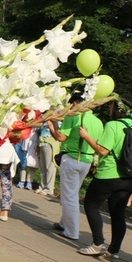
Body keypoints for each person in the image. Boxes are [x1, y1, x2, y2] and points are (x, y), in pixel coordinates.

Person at [76, 98, 132, 261]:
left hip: (109, 174)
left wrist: (86, 136)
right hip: (130, 177)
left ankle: (97, 244)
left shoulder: (113, 125)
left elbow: (102, 150)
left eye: (110, 106)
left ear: (116, 109)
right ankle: (114, 250)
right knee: (118, 214)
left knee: (91, 204)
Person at [49, 92, 103, 240]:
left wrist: (53, 123)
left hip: (71, 158)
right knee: (72, 193)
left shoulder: (73, 116)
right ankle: (64, 223)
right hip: (87, 160)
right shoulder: (98, 122)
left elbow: (60, 137)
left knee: (69, 197)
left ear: (74, 103)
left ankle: (71, 231)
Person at [36, 121, 59, 196]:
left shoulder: (58, 122)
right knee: (43, 167)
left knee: (49, 167)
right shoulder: (45, 120)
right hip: (42, 143)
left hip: (50, 144)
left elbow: (58, 136)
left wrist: (51, 125)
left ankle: (49, 189)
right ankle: (42, 186)